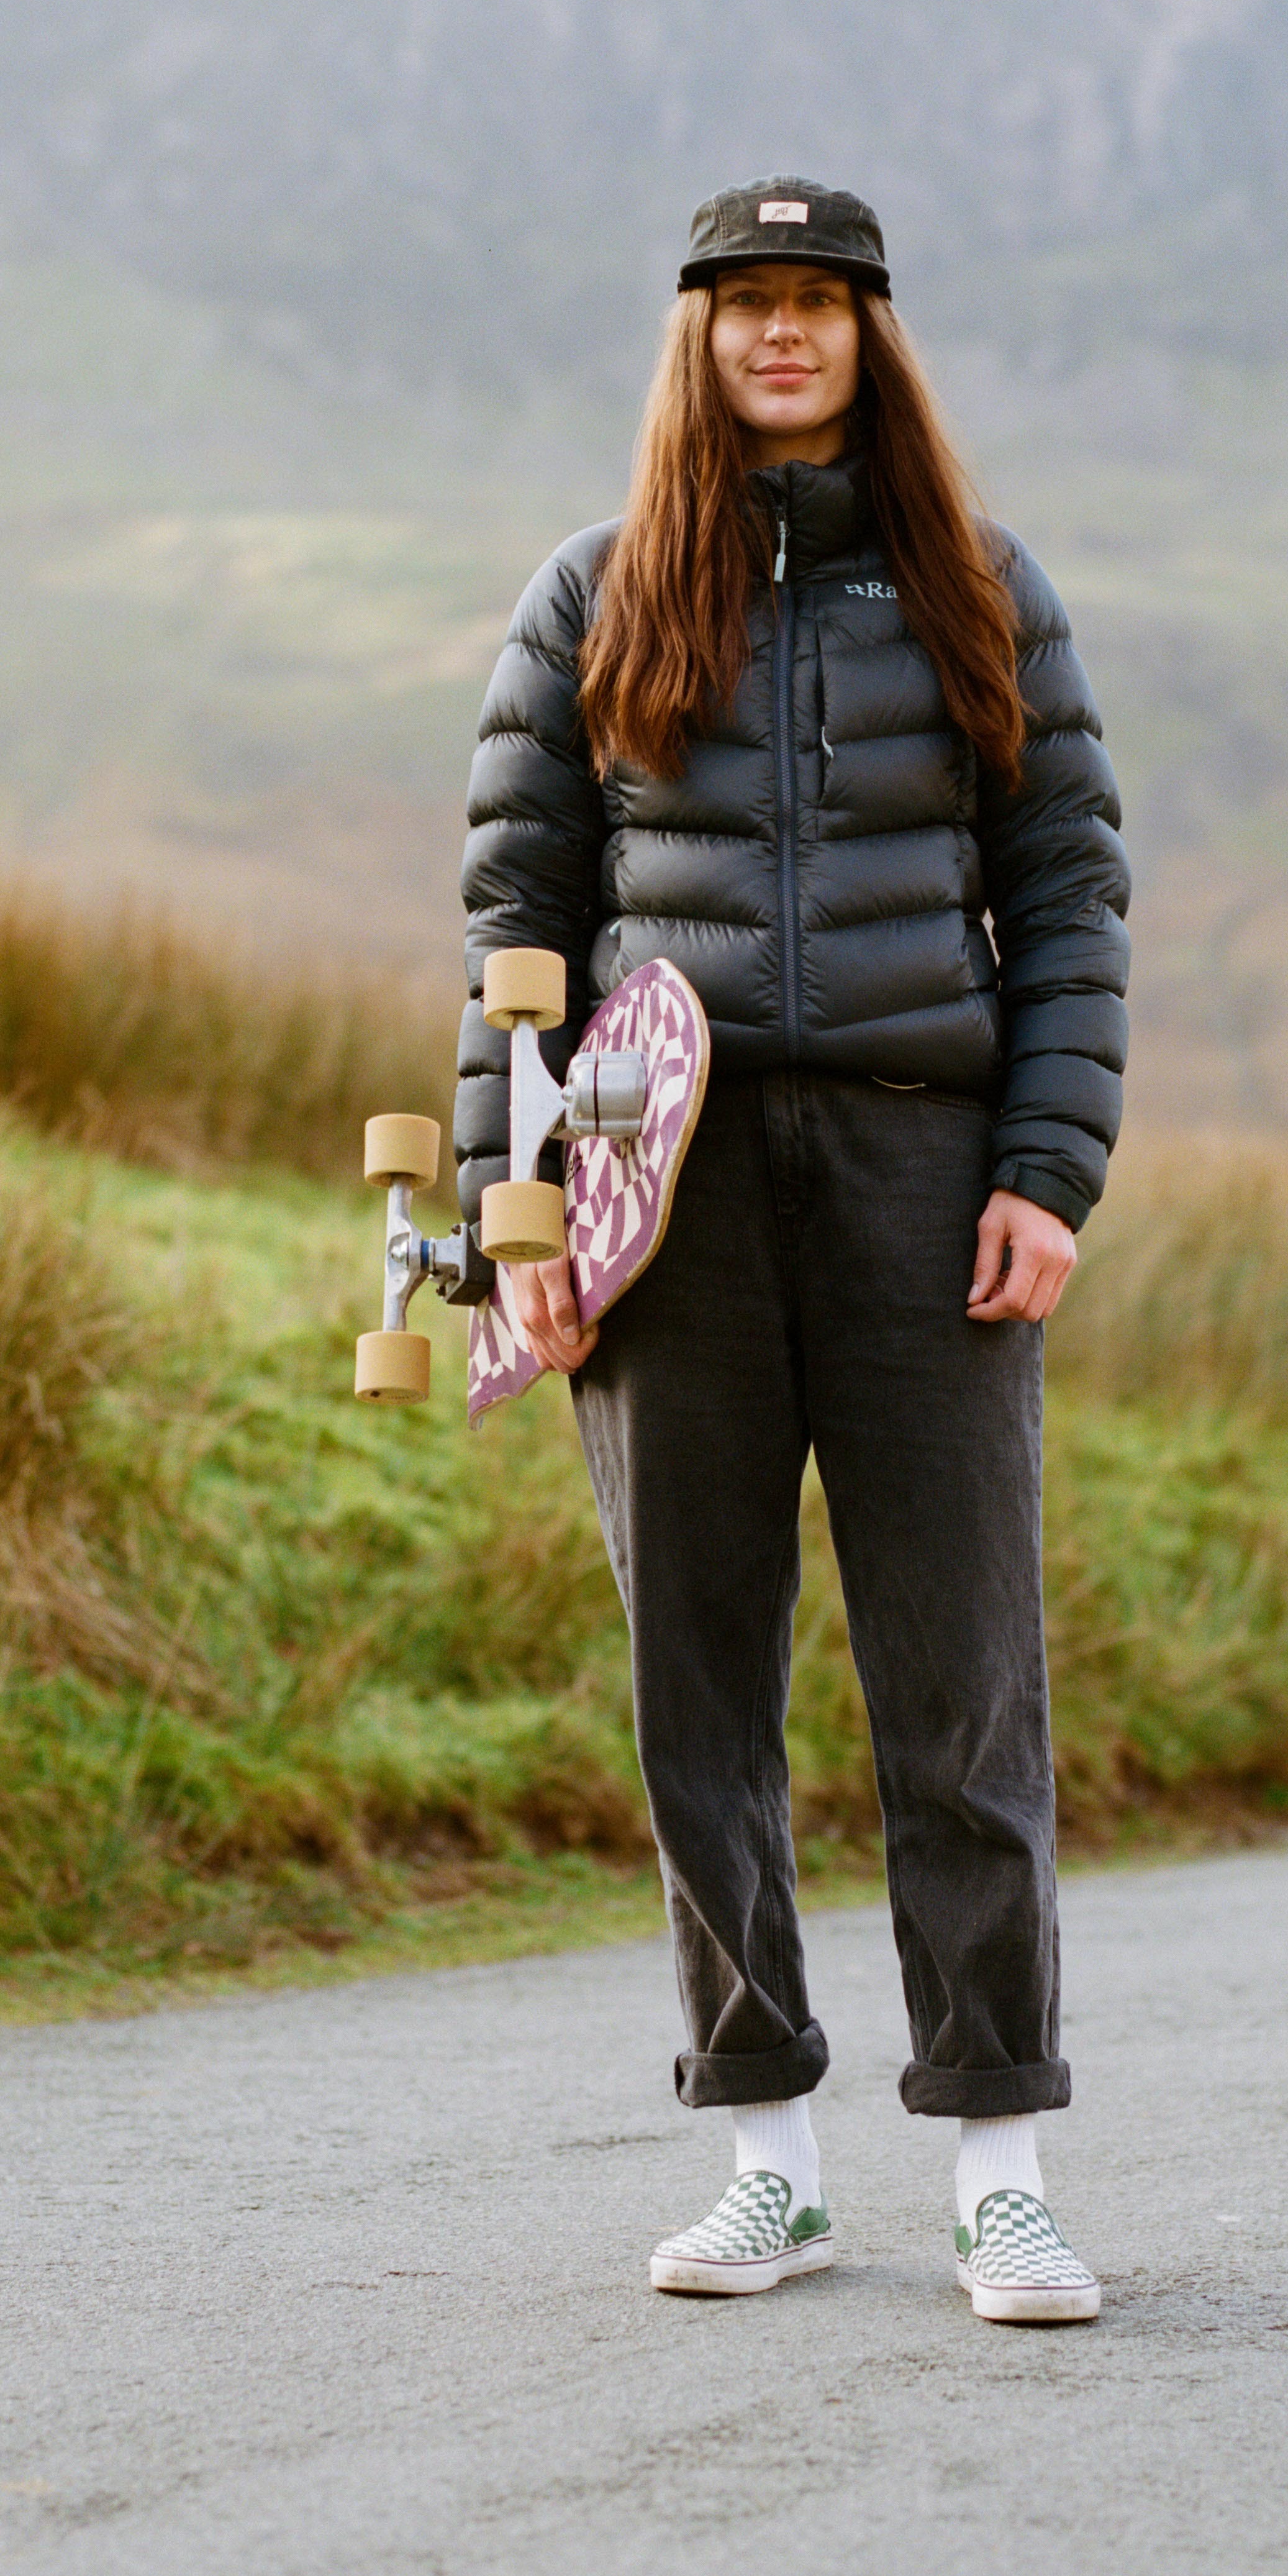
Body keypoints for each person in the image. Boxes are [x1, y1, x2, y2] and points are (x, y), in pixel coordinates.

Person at [456, 176, 1130, 2325]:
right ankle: (767, 2159)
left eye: (815, 302)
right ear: (696, 335)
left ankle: (1002, 2169)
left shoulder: (976, 591)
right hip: (669, 1187)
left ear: (871, 335)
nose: (778, 334)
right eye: (743, 302)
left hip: (933, 1186)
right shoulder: (592, 599)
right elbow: (519, 933)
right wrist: (521, 1213)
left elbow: (1075, 897)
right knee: (699, 1686)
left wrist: (1050, 1166)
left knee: (965, 1685)